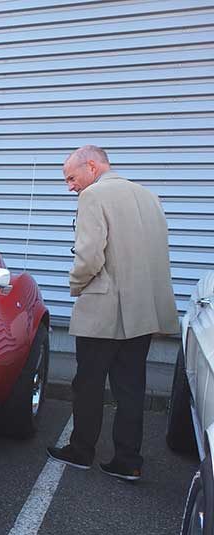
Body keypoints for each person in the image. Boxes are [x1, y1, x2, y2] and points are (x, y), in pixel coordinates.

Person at [46, 145, 178, 481]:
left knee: (88, 384)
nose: (70, 186)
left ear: (91, 166)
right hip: (142, 309)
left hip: (104, 309)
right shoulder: (150, 197)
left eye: (71, 177)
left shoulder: (93, 196)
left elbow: (89, 257)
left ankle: (80, 450)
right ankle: (128, 461)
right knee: (131, 386)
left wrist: (75, 285)